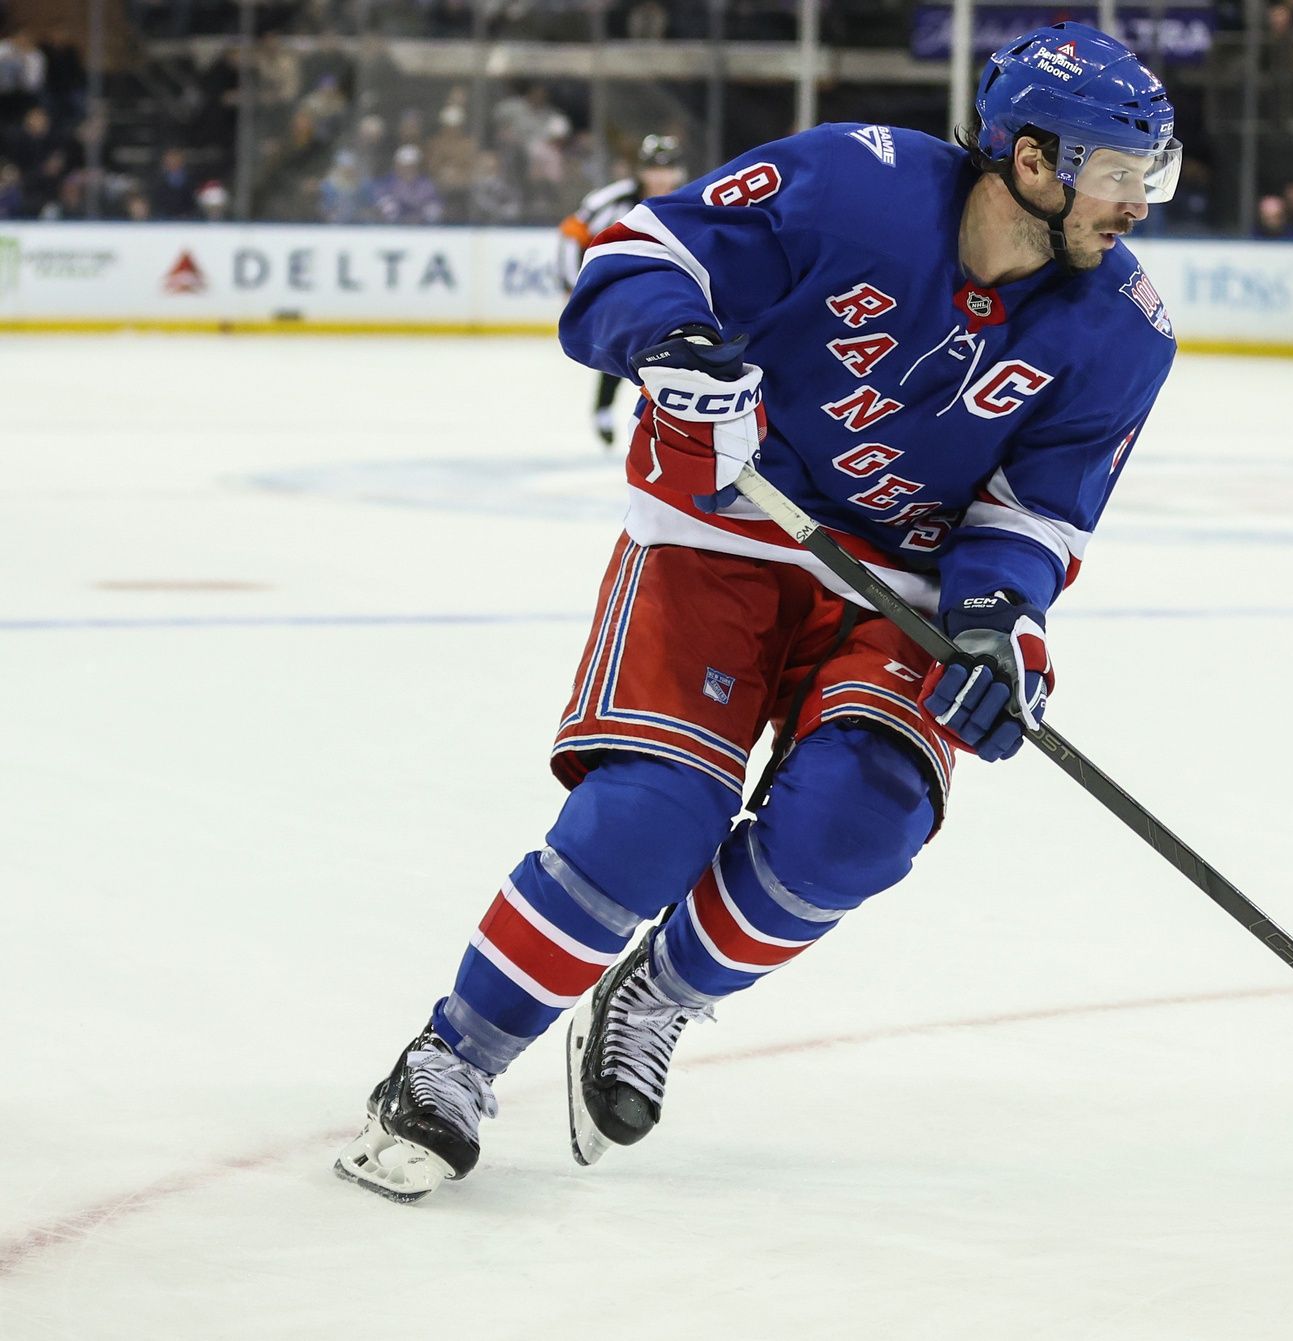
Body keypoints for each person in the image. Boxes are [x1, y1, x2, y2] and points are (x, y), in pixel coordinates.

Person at [334, 21, 1181, 1203]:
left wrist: (997, 626)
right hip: (725, 530)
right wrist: (668, 341)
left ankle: (660, 995)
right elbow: (637, 254)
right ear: (1029, 160)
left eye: (1149, 173)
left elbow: (1036, 516)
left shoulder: (1120, 333)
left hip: (898, 589)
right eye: (1112, 170)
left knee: (862, 819)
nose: (1134, 202)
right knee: (652, 819)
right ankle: (451, 1062)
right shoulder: (856, 181)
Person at [558, 133, 689, 446]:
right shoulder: (611, 201)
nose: (660, 177)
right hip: (622, 292)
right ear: (641, 171)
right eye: (653, 169)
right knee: (624, 349)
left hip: (671, 294)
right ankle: (605, 409)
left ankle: (666, 421)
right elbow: (571, 234)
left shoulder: (690, 200)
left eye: (667, 169)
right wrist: (573, 286)